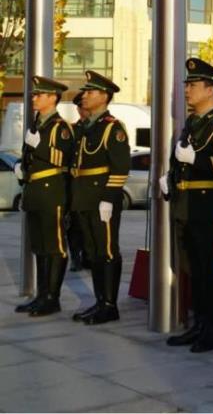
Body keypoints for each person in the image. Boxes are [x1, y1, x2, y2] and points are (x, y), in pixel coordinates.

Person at [163, 59, 213, 353]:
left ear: (210, 89)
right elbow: (179, 159)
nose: (187, 90)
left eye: (193, 85)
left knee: (211, 269)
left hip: (209, 206)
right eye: (187, 85)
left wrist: (198, 160)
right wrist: (170, 178)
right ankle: (199, 324)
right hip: (186, 205)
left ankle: (212, 329)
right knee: (194, 269)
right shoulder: (192, 123)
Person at [70, 71, 131, 325]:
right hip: (84, 196)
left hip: (101, 197)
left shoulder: (112, 127)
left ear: (104, 96)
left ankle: (109, 305)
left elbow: (121, 166)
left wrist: (109, 198)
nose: (84, 96)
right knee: (93, 252)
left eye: (90, 92)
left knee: (107, 250)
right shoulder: (86, 126)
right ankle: (99, 301)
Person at [13, 76, 75, 316]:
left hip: (52, 191)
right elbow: (29, 157)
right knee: (40, 246)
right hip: (35, 191)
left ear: (53, 98)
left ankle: (52, 298)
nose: (34, 98)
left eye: (39, 95)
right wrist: (22, 169)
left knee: (55, 246)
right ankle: (41, 295)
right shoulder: (36, 125)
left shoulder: (60, 127)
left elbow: (64, 158)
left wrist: (39, 146)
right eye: (34, 95)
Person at [67, 92, 89, 272]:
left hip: (91, 185)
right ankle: (75, 257)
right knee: (73, 226)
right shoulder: (72, 129)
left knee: (89, 225)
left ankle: (88, 256)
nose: (84, 110)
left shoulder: (99, 127)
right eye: (81, 107)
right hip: (74, 184)